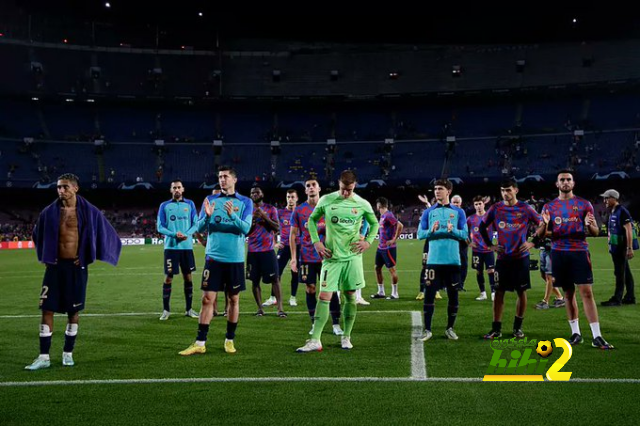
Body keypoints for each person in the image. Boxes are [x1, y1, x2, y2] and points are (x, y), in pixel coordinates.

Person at [26, 173, 122, 370]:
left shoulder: (90, 211)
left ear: (75, 188)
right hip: (54, 266)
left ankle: (67, 353)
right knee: (47, 309)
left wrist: (88, 255)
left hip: (77, 267)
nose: (61, 190)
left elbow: (106, 232)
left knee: (74, 312)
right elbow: (37, 234)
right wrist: (45, 255)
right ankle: (43, 357)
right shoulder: (49, 212)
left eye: (65, 187)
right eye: (59, 187)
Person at [296, 170, 379, 352]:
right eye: (342, 189)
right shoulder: (326, 200)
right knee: (324, 296)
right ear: (338, 185)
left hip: (352, 258)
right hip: (331, 258)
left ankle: (346, 336)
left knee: (350, 296)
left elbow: (374, 224)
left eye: (348, 190)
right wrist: (316, 242)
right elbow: (311, 221)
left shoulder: (362, 204)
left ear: (354, 186)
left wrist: (368, 241)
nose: (345, 193)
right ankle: (315, 339)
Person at [179, 166, 252, 356]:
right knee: (207, 299)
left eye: (226, 176)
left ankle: (229, 339)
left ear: (234, 180)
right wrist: (208, 217)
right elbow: (199, 226)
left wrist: (232, 216)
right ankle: (200, 342)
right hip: (213, 257)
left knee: (233, 298)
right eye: (220, 177)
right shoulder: (210, 200)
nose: (222, 180)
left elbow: (245, 229)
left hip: (234, 258)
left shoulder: (245, 202)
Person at [537, 170, 614, 349]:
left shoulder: (584, 204)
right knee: (568, 293)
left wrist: (589, 225)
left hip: (579, 252)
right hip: (558, 253)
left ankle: (597, 336)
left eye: (568, 179)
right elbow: (540, 235)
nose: (565, 182)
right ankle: (576, 333)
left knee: (586, 292)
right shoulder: (549, 207)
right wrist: (545, 224)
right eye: (562, 180)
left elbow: (595, 232)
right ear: (557, 184)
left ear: (573, 183)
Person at [480, 179, 542, 339]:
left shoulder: (525, 208)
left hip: (521, 258)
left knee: (521, 292)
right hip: (502, 258)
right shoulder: (496, 208)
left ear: (516, 190)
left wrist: (533, 242)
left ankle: (517, 328)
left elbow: (543, 224)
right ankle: (496, 329)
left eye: (508, 190)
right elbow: (481, 226)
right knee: (499, 292)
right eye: (502, 190)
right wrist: (490, 245)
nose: (505, 193)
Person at [290, 178, 343, 336]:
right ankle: (314, 323)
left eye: (313, 185)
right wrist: (293, 258)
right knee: (310, 288)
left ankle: (336, 324)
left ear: (319, 188)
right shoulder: (299, 210)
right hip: (306, 257)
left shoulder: (329, 207)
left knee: (331, 290)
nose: (311, 188)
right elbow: (293, 235)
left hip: (327, 257)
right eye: (308, 186)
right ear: (305, 191)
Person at [418, 179, 467, 342]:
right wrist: (431, 231)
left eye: (440, 189)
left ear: (449, 191)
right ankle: (427, 330)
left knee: (453, 296)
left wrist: (453, 232)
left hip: (453, 261)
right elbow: (420, 234)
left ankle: (450, 328)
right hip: (433, 261)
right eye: (435, 189)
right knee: (429, 295)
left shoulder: (459, 212)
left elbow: (464, 235)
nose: (437, 191)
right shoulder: (428, 212)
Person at [157, 179, 199, 320]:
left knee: (188, 277)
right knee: (168, 278)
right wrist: (174, 234)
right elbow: (160, 226)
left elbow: (196, 223)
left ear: (183, 189)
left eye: (178, 187)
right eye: (174, 187)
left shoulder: (190, 204)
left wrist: (186, 234)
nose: (176, 189)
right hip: (171, 247)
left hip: (186, 248)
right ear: (171, 190)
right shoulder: (164, 206)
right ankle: (166, 310)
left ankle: (189, 309)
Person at [246, 186, 286, 317]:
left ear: (262, 193)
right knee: (254, 280)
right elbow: (245, 231)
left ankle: (280, 309)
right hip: (253, 251)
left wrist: (264, 217)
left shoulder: (270, 209)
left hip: (268, 250)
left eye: (257, 192)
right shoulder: (247, 210)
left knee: (275, 279)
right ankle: (259, 309)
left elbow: (277, 227)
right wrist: (252, 220)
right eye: (252, 192)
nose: (255, 194)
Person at [600, 189, 636, 306]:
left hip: (621, 247)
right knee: (626, 272)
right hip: (616, 247)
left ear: (614, 198)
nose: (604, 200)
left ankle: (617, 298)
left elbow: (629, 230)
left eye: (607, 198)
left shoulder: (622, 211)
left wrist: (629, 248)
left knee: (619, 273)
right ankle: (630, 297)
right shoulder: (613, 211)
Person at [371, 197, 404, 300]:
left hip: (388, 248)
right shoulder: (383, 216)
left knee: (391, 269)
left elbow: (400, 225)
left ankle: (395, 293)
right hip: (380, 248)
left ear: (379, 205)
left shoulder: (389, 215)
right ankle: (381, 292)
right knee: (377, 268)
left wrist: (394, 239)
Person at [467, 196, 496, 301]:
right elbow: (464, 231)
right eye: (476, 204)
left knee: (491, 271)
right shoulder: (471, 219)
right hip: (477, 251)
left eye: (480, 204)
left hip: (488, 250)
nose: (478, 206)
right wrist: (468, 242)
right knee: (479, 271)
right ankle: (483, 293)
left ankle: (493, 292)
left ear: (484, 204)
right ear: (474, 206)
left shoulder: (490, 218)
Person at [273, 189, 300, 307]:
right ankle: (273, 297)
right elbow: (273, 227)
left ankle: (293, 298)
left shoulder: (300, 213)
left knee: (295, 273)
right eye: (288, 197)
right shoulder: (280, 212)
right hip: (283, 246)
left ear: (297, 198)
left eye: (293, 197)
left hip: (297, 247)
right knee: (277, 272)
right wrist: (275, 243)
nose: (290, 199)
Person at [534, 235, 566, 310]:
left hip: (552, 250)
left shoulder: (553, 223)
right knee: (543, 276)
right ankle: (560, 298)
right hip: (543, 249)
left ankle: (545, 301)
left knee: (549, 276)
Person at [451, 195, 469, 290]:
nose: (456, 204)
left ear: (460, 203)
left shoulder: (462, 212)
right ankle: (450, 283)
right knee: (451, 263)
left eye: (457, 202)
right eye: (454, 202)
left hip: (462, 241)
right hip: (452, 241)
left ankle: (460, 284)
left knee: (464, 263)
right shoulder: (448, 212)